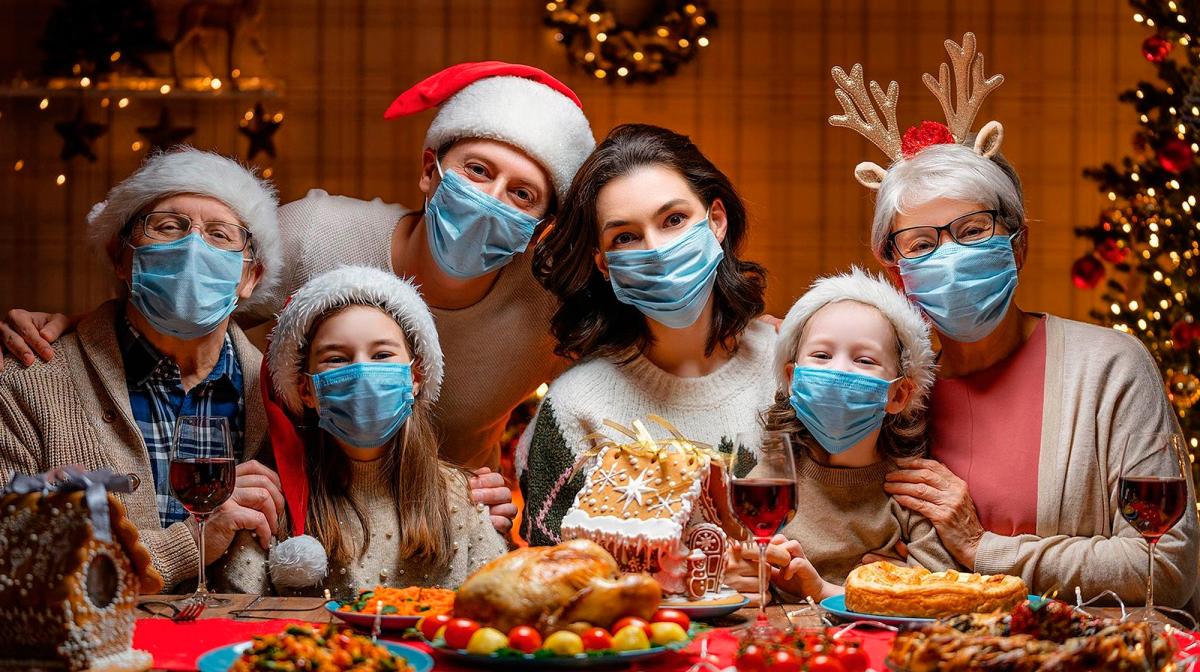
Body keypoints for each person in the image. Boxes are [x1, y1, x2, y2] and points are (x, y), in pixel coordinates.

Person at [0, 61, 597, 535]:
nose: (491, 198)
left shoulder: (553, 304)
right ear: (429, 169)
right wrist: (79, 331)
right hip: (304, 518)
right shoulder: (314, 236)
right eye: (476, 170)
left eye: (523, 194)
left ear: (543, 222)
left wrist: (495, 503)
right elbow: (190, 285)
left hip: (445, 521)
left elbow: (629, 384)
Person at [830, 33, 1199, 609]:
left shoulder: (1111, 370)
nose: (948, 258)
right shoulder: (887, 390)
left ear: (1018, 244)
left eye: (973, 231)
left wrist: (983, 550)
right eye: (921, 243)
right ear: (896, 267)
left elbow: (1163, 568)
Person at [0, 148, 286, 591]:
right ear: (121, 256)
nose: (193, 247)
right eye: (168, 226)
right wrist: (187, 545)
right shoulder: (27, 379)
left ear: (251, 276)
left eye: (220, 234)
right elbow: (11, 560)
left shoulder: (284, 398)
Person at [518, 123, 774, 546]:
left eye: (673, 219)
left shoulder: (791, 367)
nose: (656, 251)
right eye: (626, 237)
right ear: (603, 264)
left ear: (716, 220)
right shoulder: (574, 408)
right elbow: (554, 574)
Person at [217, 266, 506, 596]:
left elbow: (494, 606)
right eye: (337, 359)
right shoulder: (273, 503)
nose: (362, 371)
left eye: (382, 355)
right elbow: (238, 613)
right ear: (306, 389)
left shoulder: (459, 497)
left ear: (415, 377)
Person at [723, 268, 955, 601]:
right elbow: (743, 575)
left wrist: (822, 591)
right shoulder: (772, 485)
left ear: (899, 395)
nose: (839, 370)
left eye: (864, 359)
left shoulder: (911, 492)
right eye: (821, 355)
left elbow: (937, 593)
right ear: (792, 379)